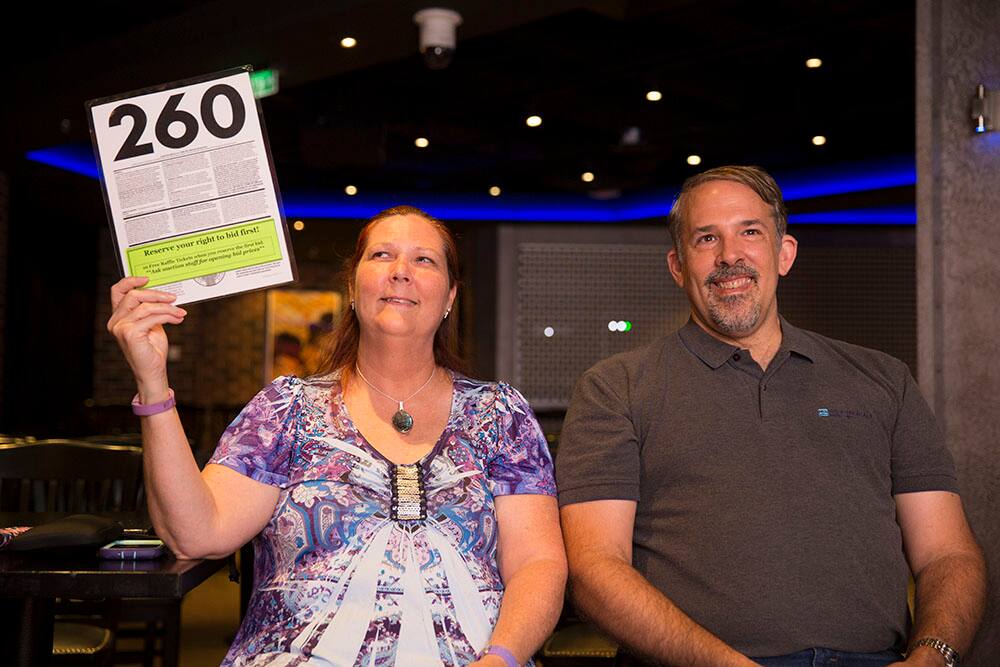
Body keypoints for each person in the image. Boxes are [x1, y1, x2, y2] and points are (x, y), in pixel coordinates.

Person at [556, 166, 987, 667]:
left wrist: (932, 657)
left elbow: (947, 554)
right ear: (677, 265)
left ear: (785, 254)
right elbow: (595, 569)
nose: (729, 256)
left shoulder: (884, 379)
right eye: (706, 238)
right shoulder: (616, 388)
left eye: (750, 232)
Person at [108, 205, 566, 666]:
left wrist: (501, 658)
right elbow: (196, 534)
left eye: (424, 260)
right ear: (352, 287)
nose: (401, 271)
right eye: (382, 255)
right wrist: (153, 382)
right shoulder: (286, 409)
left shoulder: (499, 415)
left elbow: (538, 564)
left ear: (450, 296)